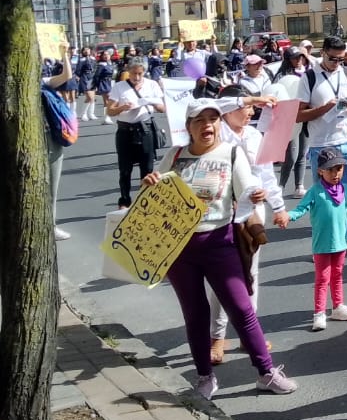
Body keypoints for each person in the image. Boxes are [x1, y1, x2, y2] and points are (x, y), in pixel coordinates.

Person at [142, 100, 297, 399]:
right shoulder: (175, 156)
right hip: (179, 249)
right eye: (199, 120)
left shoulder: (230, 152)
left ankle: (266, 372)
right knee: (195, 313)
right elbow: (155, 193)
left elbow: (248, 187)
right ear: (188, 127)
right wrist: (150, 184)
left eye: (212, 119)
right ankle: (204, 377)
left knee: (242, 309)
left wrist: (257, 193)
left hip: (219, 242)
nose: (206, 125)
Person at [206, 85, 287, 363]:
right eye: (246, 106)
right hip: (222, 214)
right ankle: (216, 337)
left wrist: (278, 205)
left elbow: (266, 173)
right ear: (228, 108)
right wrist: (251, 97)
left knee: (249, 276)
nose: (251, 111)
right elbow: (216, 103)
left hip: (252, 213)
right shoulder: (215, 134)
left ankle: (246, 334)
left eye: (253, 107)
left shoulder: (254, 135)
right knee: (222, 278)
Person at [286, 146, 347, 331]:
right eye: (330, 169)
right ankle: (319, 313)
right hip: (322, 244)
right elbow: (301, 209)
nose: (335, 173)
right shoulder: (315, 191)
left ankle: (338, 307)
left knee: (337, 276)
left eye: (339, 169)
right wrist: (288, 216)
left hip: (341, 242)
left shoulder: (346, 188)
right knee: (322, 279)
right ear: (320, 171)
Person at [298, 36, 347, 222]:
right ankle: (327, 232)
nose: (336, 63)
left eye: (341, 59)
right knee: (324, 197)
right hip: (321, 144)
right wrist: (325, 108)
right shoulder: (309, 78)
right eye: (332, 58)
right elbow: (298, 115)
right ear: (323, 53)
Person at [105, 58, 165, 208]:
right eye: (133, 73)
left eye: (140, 73)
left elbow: (162, 108)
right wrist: (122, 107)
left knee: (147, 168)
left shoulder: (152, 85)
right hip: (125, 130)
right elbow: (110, 111)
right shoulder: (119, 87)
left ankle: (145, 201)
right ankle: (124, 200)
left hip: (145, 129)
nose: (137, 77)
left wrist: (150, 101)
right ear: (128, 71)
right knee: (125, 169)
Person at [42, 40, 75, 240]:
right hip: (31, 142)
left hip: (51, 139)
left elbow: (66, 76)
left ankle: (50, 226)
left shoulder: (43, 82)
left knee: (52, 186)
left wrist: (64, 55)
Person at [274, 45, 311, 195]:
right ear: (288, 60)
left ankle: (299, 186)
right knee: (291, 155)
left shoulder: (308, 74)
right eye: (295, 58)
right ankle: (281, 185)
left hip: (306, 116)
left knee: (303, 152)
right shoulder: (282, 76)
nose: (299, 60)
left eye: (300, 57)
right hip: (290, 120)